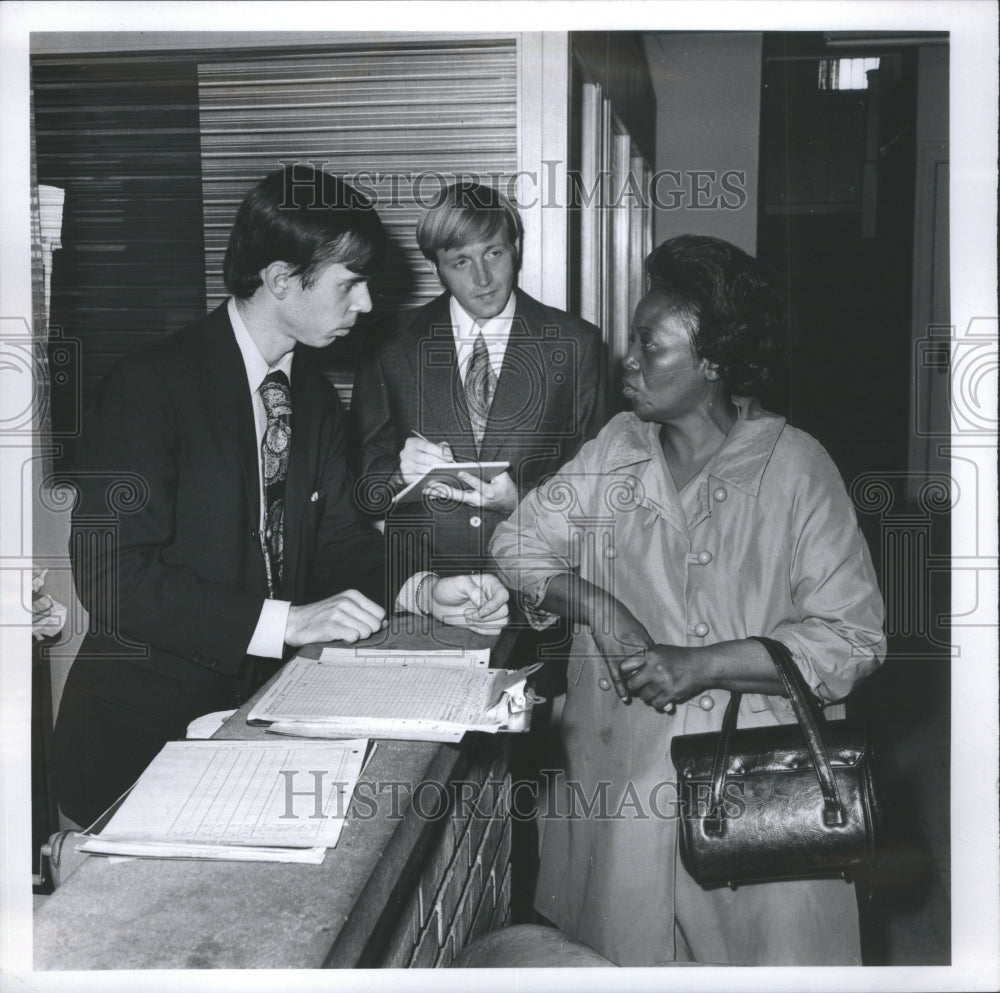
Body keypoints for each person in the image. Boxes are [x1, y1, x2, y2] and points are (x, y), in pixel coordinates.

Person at [52, 166, 508, 828]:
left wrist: (423, 589)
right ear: (280, 280)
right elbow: (113, 576)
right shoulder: (149, 387)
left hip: (260, 728)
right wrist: (287, 623)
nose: (368, 305)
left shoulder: (315, 399)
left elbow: (341, 545)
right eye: (349, 284)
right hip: (136, 749)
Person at [489, 234, 886, 966]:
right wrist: (598, 606)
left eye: (650, 344)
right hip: (623, 793)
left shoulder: (797, 467)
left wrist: (703, 664)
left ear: (712, 363)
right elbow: (516, 542)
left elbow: (853, 637)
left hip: (757, 794)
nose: (627, 360)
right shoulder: (617, 448)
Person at [350, 181, 609, 580]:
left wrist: (519, 502)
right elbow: (359, 488)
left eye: (494, 253)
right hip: (419, 588)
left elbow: (599, 489)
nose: (484, 278)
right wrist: (398, 474)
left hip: (536, 588)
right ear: (435, 267)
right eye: (460, 262)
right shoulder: (391, 344)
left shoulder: (577, 343)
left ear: (515, 249)